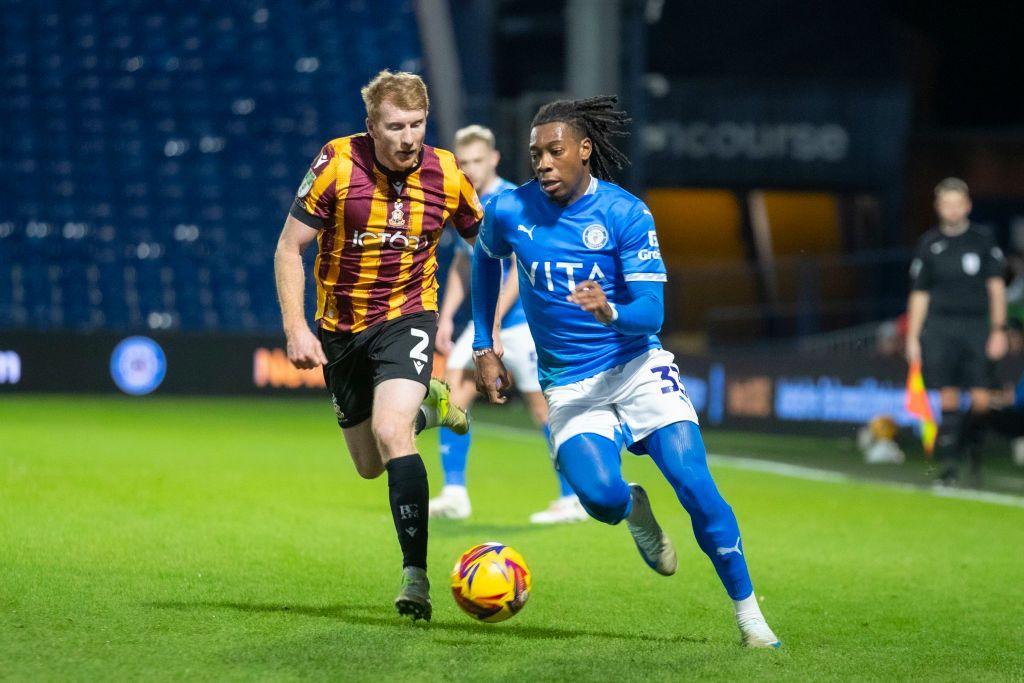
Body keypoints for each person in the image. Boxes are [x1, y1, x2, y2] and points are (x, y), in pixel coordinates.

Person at [470, 96, 781, 648]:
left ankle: (750, 618)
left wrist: (609, 309)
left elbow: (653, 314)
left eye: (555, 151)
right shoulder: (509, 210)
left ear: (584, 151)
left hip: (636, 367)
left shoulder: (625, 213)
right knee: (602, 500)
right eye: (535, 153)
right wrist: (483, 343)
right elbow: (484, 259)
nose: (542, 162)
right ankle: (634, 508)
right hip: (569, 386)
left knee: (694, 484)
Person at [273, 69, 482, 622]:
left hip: (409, 315)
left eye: (417, 124)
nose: (408, 137)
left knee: (392, 432)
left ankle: (416, 576)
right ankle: (428, 406)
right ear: (372, 126)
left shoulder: (447, 173)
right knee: (369, 465)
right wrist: (297, 329)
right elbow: (289, 247)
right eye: (395, 126)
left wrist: (486, 332)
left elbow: (486, 244)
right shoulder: (337, 162)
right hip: (340, 328)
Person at [430, 125, 587, 524]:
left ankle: (572, 498)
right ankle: (454, 492)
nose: (470, 169)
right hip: (488, 321)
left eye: (477, 161)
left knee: (543, 408)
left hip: (524, 323)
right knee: (454, 394)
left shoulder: (512, 201)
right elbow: (464, 265)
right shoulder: (462, 202)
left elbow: (521, 266)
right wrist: (447, 315)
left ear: (494, 159)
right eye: (462, 163)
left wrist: (493, 319)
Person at [906, 178, 1008, 486]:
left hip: (976, 326)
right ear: (938, 207)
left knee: (980, 400)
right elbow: (919, 293)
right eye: (946, 204)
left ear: (967, 206)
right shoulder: (929, 244)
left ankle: (970, 447)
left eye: (957, 203)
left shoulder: (983, 241)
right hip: (940, 327)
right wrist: (913, 336)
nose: (951, 209)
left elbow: (996, 288)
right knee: (947, 396)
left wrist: (999, 329)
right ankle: (949, 465)